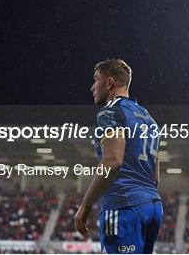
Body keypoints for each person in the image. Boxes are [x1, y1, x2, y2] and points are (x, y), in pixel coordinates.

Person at [74, 59, 162, 254]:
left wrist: (86, 205)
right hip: (153, 206)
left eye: (96, 80)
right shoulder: (149, 119)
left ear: (110, 82)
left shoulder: (111, 112)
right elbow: (155, 177)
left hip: (123, 205)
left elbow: (113, 162)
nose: (92, 87)